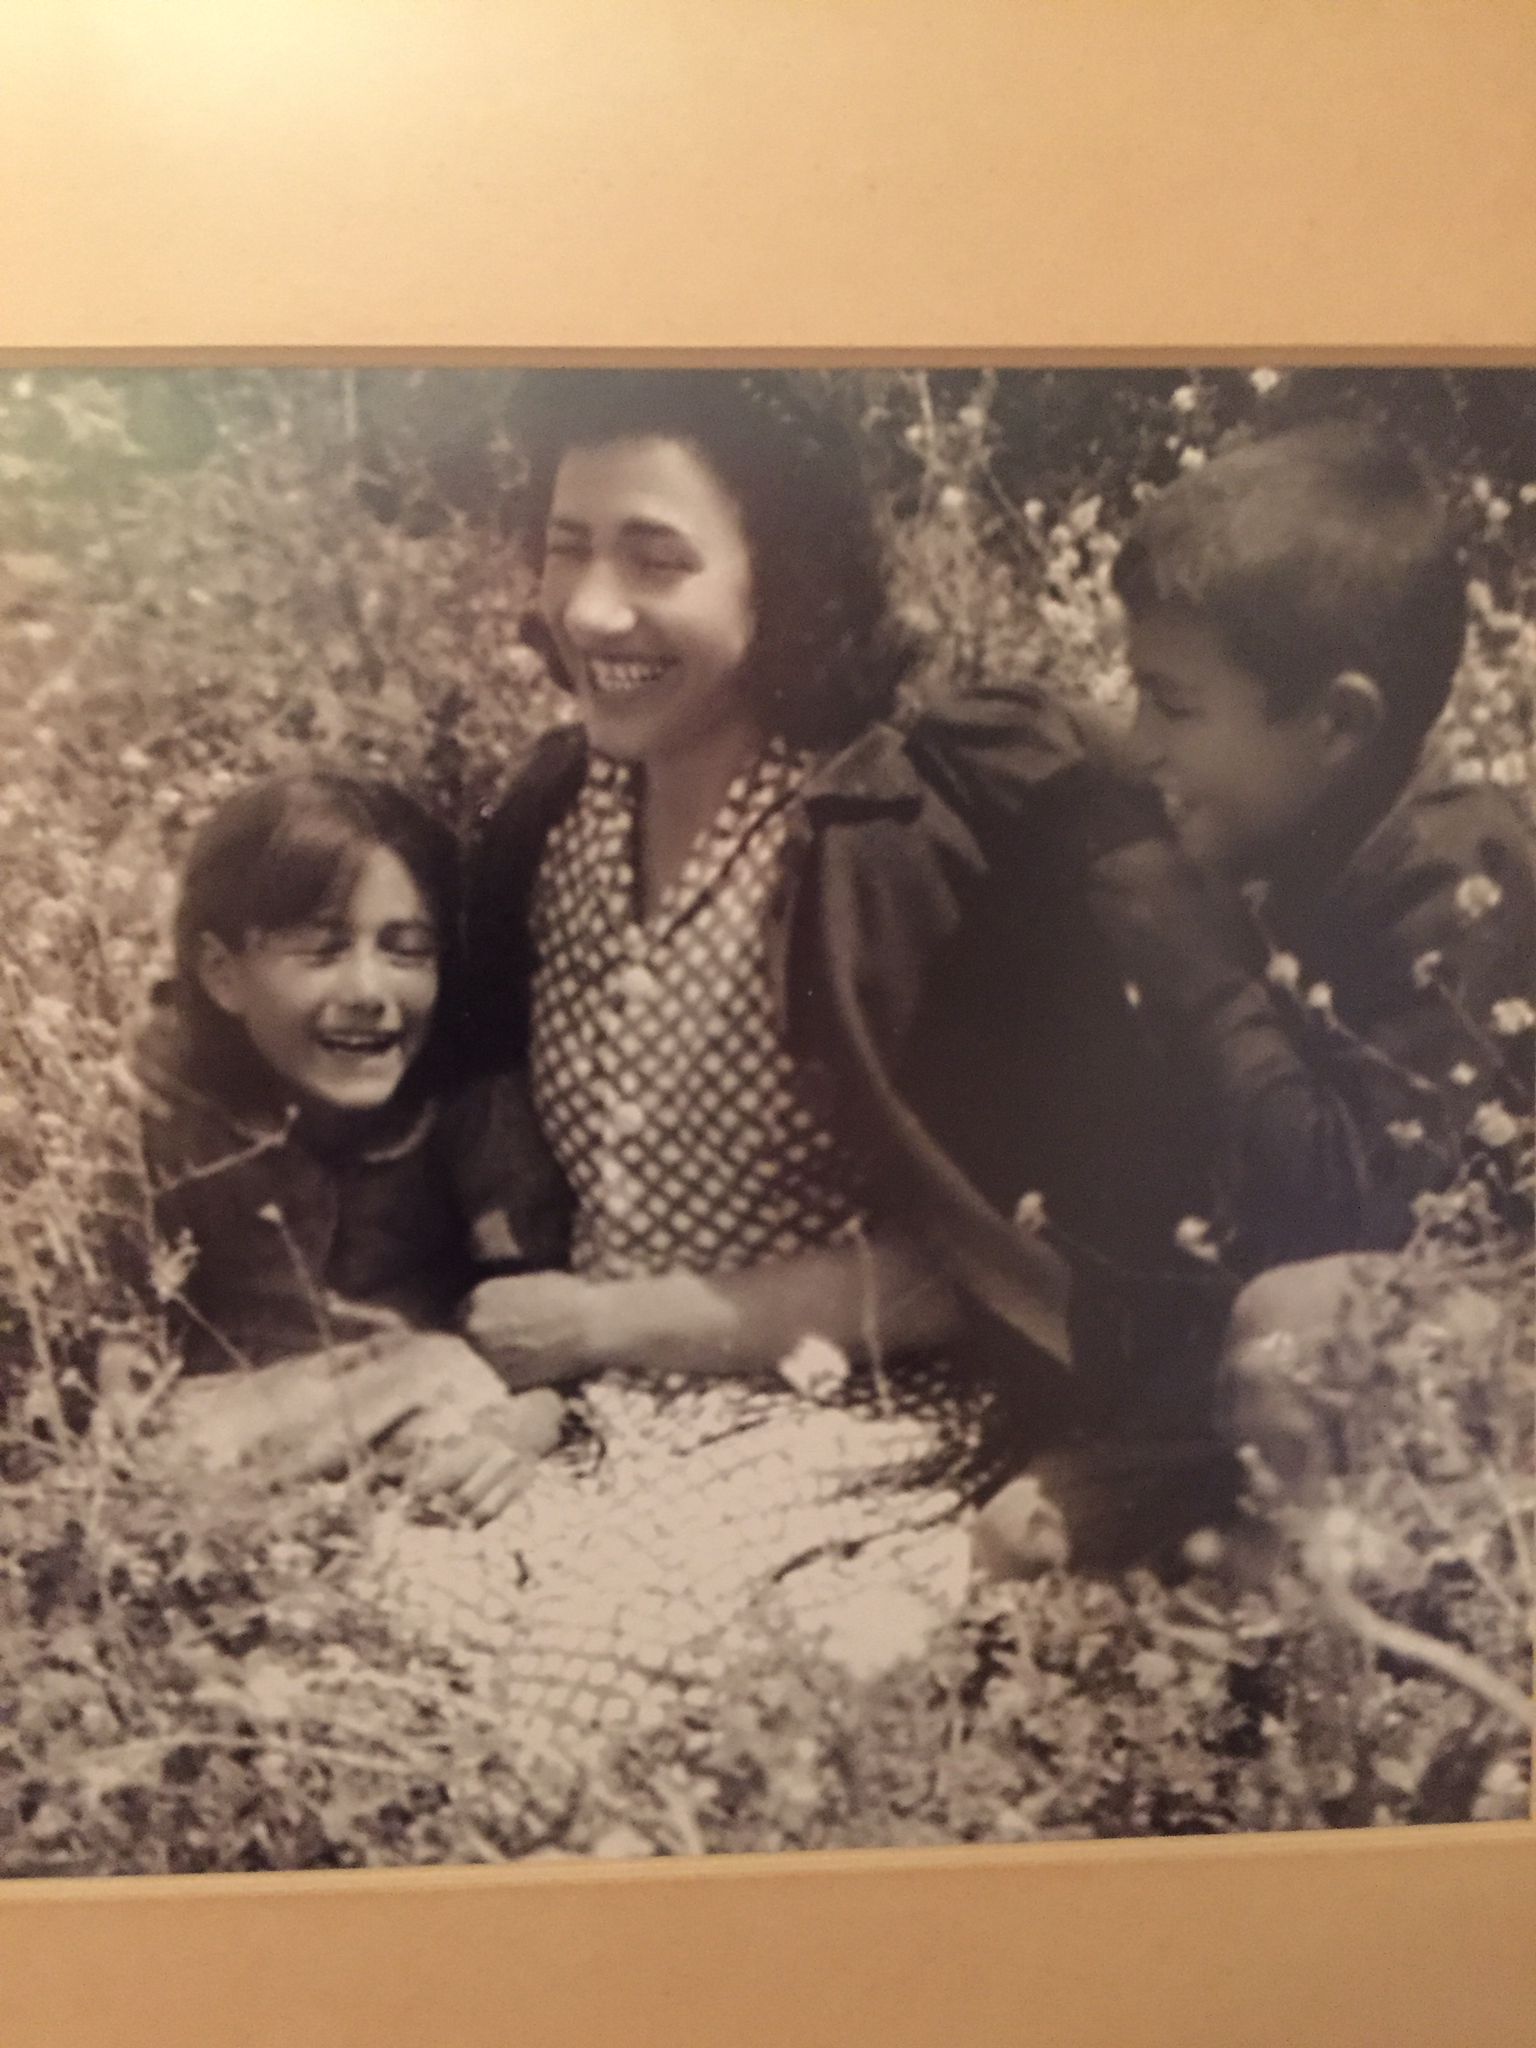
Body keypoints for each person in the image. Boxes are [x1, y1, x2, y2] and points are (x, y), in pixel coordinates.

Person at [377, 368, 1137, 1725]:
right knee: (385, 1612)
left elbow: (977, 1260)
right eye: (567, 545)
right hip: (604, 1400)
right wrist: (545, 1374)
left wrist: (608, 1325)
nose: (590, 607)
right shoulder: (555, 809)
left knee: (569, 1698)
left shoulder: (882, 842)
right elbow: (504, 1135)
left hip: (846, 1406)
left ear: (779, 577)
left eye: (655, 557)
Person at [977, 419, 1536, 1573]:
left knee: (1297, 1326)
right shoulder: (1293, 822)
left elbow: (1359, 1223)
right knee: (1017, 1535)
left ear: (1337, 722)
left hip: (1469, 1340)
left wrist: (1198, 967)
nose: (1145, 744)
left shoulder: (1460, 877)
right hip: (1290, 1350)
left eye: (1174, 705)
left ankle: (1316, 1645)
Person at [129, 770, 569, 1525]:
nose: (370, 990)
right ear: (223, 975)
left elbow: (540, 1334)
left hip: (418, 1411)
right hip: (225, 1422)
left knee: (445, 1378)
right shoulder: (167, 1091)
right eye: (323, 950)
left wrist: (517, 1433)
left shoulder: (468, 1107)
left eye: (407, 951)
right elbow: (119, 1330)